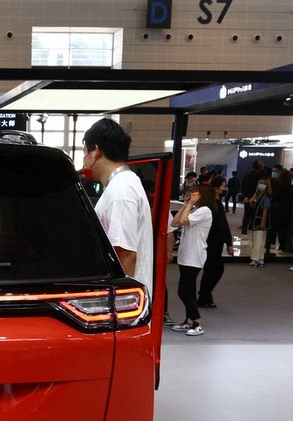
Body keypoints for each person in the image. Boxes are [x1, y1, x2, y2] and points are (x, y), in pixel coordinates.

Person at [83, 118, 154, 297]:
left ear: (96, 151)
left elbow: (125, 255)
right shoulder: (123, 184)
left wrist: (119, 304)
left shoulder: (121, 190)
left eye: (84, 152)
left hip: (122, 301)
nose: (84, 160)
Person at [168, 184, 211, 336]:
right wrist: (186, 205)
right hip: (185, 256)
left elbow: (183, 220)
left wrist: (190, 205)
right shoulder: (194, 210)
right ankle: (189, 320)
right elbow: (174, 223)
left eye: (195, 194)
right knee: (190, 290)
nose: (192, 196)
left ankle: (197, 322)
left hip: (194, 256)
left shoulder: (204, 211)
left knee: (184, 291)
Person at [197, 175, 231, 308]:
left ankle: (205, 295)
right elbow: (223, 225)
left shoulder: (211, 204)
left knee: (211, 269)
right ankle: (204, 295)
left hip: (211, 240)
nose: (225, 189)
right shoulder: (216, 205)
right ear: (216, 189)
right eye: (224, 186)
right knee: (215, 269)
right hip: (213, 241)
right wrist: (229, 243)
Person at [240, 161, 263, 234]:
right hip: (257, 198)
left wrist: (245, 196)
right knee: (255, 215)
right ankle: (252, 230)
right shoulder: (261, 176)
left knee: (246, 215)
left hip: (248, 197)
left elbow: (242, 187)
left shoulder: (246, 176)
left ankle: (244, 231)